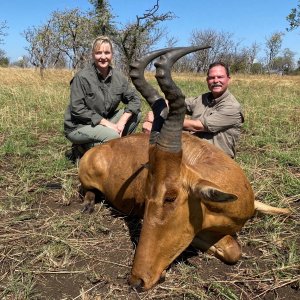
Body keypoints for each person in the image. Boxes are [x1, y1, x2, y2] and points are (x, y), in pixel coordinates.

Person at [142, 62, 244, 158]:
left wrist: (160, 119)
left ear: (228, 79)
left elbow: (198, 126)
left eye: (220, 77)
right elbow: (178, 104)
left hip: (215, 158)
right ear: (207, 80)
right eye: (212, 78)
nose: (216, 81)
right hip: (194, 150)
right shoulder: (204, 98)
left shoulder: (232, 107)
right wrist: (159, 107)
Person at [64, 35, 142, 160]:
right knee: (112, 136)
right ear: (93, 54)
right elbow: (77, 109)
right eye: (98, 53)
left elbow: (135, 99)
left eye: (107, 52)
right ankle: (82, 149)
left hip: (104, 123)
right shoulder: (82, 77)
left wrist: (121, 122)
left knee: (135, 114)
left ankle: (106, 146)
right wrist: (107, 124)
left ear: (112, 54)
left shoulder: (119, 77)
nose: (103, 57)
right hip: (79, 126)